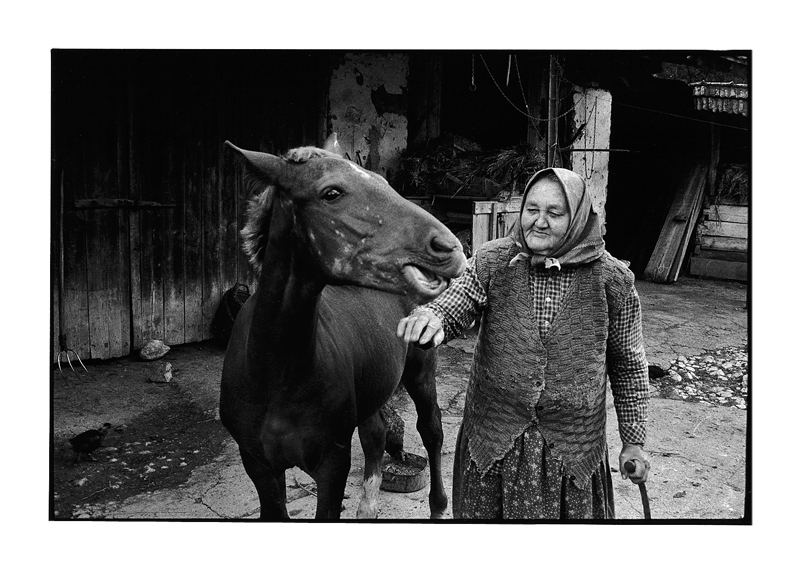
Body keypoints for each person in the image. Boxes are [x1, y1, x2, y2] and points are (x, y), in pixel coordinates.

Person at [396, 167, 650, 520]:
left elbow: (628, 365)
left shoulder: (612, 279)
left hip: (571, 450)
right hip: (493, 442)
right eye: (532, 210)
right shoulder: (493, 260)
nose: (539, 222)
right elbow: (459, 301)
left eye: (554, 213)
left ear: (577, 218)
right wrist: (434, 316)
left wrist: (633, 440)